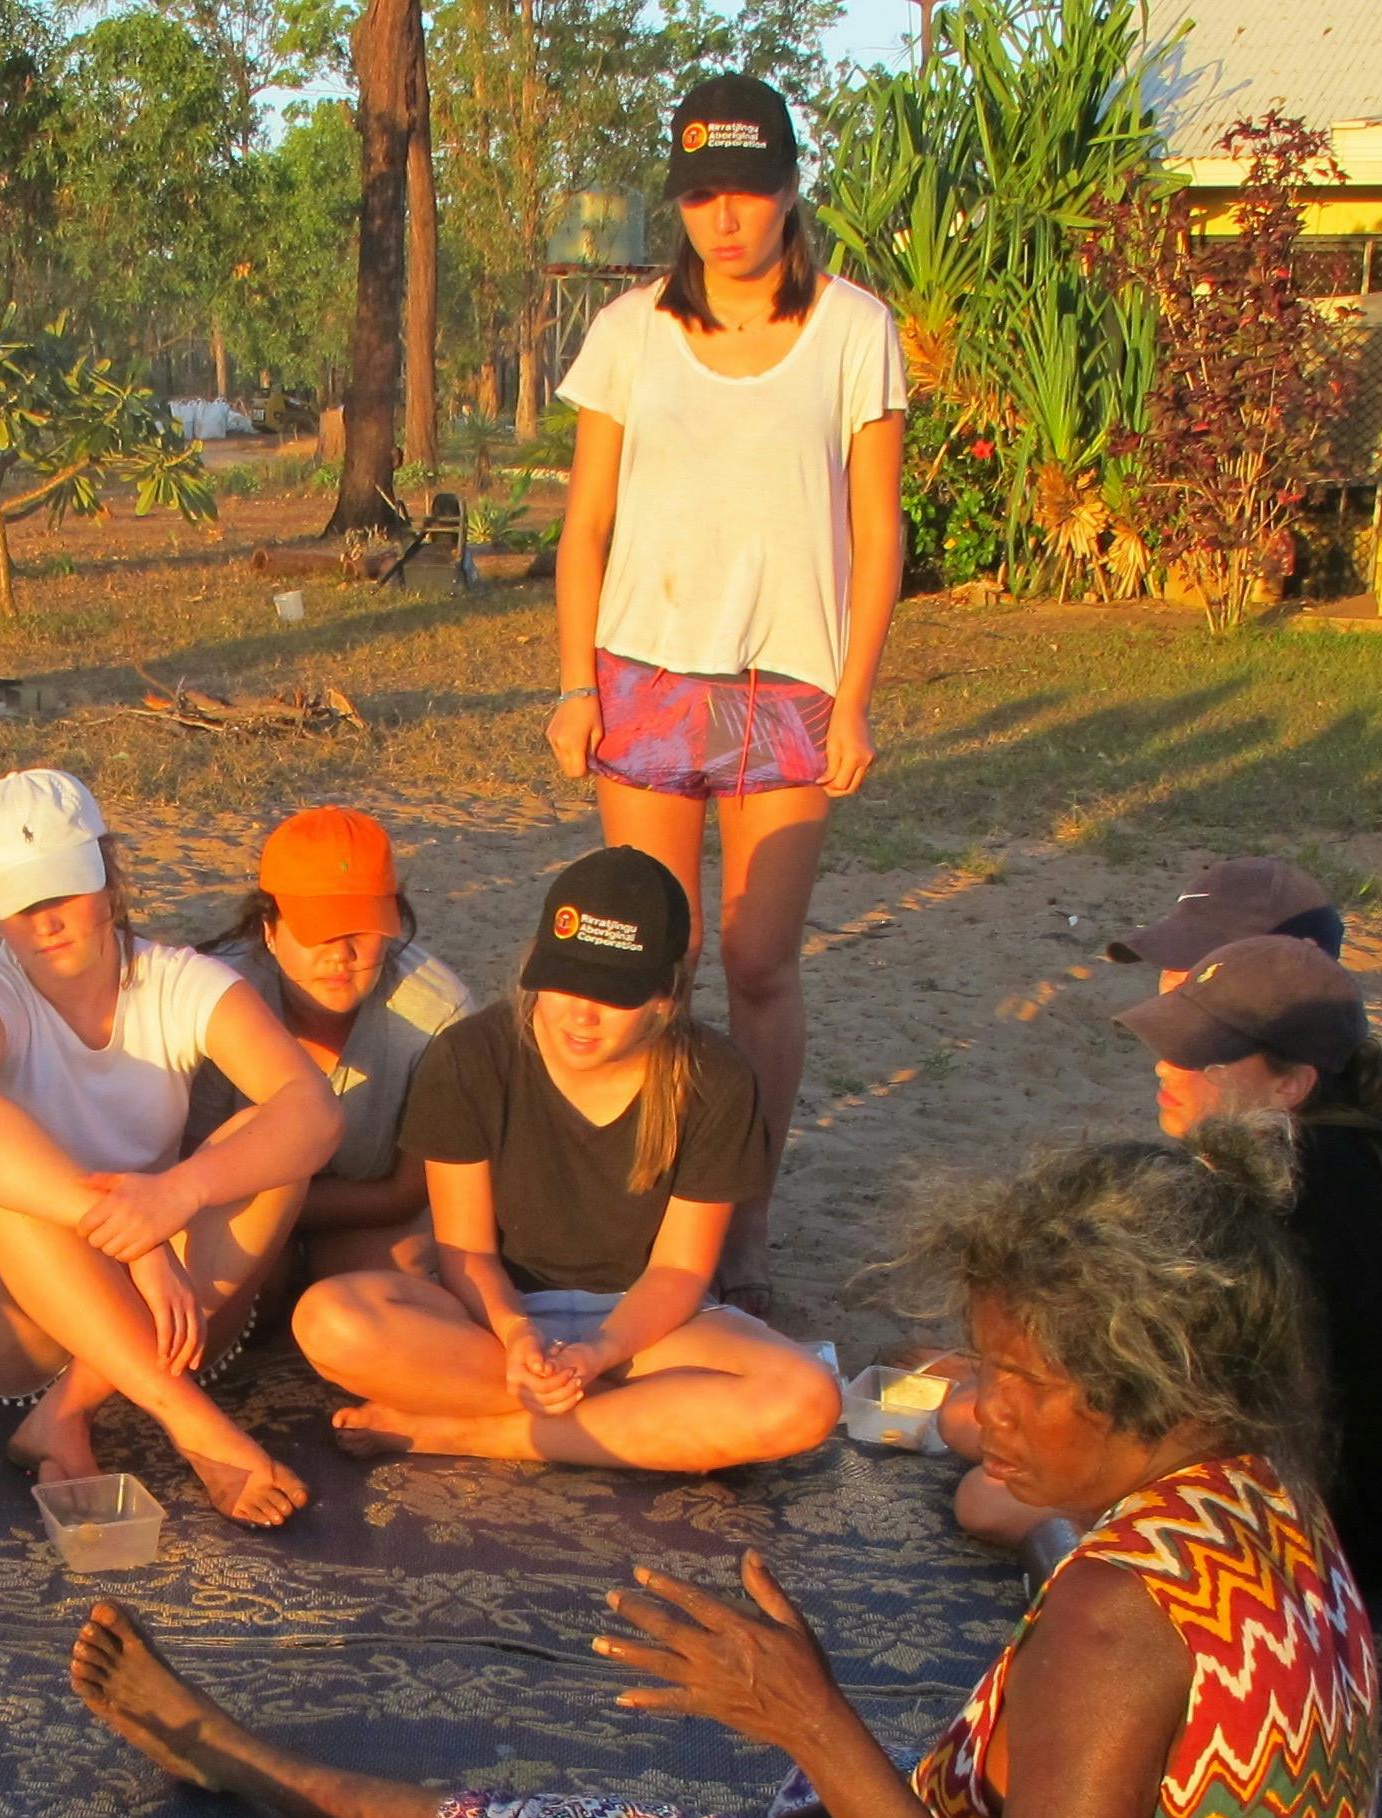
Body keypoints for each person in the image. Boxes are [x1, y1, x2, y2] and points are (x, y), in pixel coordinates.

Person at [73, 1125, 1376, 1818]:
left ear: (1142, 1378)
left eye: (1019, 1382)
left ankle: (252, 1765)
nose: (982, 1409)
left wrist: (809, 1719)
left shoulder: (1116, 1610)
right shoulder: (1268, 1499)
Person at [547, 71, 906, 1311]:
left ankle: (744, 1226)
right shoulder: (631, 332)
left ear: (790, 189)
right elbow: (585, 525)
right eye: (701, 196)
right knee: (656, 960)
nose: (725, 219)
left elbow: (878, 529)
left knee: (759, 961)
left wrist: (854, 698)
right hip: (644, 678)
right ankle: (653, 1214)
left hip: (787, 686)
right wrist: (574, 684)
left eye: (747, 191)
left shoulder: (855, 330)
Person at [955, 938, 1382, 1603]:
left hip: (1326, 1540)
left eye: (1204, 1058)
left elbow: (1164, 1390)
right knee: (984, 1416)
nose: (1166, 1068)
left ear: (1291, 1084)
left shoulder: (1267, 1203)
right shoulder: (1378, 1153)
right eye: (1172, 1046)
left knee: (980, 1478)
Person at [291, 848, 839, 1472]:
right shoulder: (471, 1055)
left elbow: (678, 1274)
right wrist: (515, 1332)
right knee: (330, 1320)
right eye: (565, 982)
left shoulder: (715, 1077)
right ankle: (650, 1423)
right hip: (495, 1324)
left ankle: (467, 1433)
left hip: (647, 1326)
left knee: (807, 1399)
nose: (582, 1015)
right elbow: (467, 1253)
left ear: (665, 998)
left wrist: (600, 1351)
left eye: (612, 995)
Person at [0, 769, 340, 1526]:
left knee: (272, 1145)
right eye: (21, 901)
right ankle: (195, 1426)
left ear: (110, 882)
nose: (45, 921)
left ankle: (68, 1410)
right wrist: (133, 1236)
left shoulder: (179, 981)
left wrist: (177, 1194)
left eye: (63, 891)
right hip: (7, 1331)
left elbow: (313, 1112)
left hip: (162, 1315)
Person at [1107, 856, 1382, 1479]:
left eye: (1204, 965)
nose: (1178, 987)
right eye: (1173, 963)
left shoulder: (1293, 1162)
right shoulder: (1368, 1096)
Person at [178, 806, 476, 1282]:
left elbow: (406, 1193)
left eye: (361, 930)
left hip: (372, 1222)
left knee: (386, 1270)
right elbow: (190, 1156)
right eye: (318, 930)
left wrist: (283, 1207)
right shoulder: (214, 993)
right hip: (235, 1209)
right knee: (240, 1273)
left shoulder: (438, 1013)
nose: (340, 954)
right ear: (269, 930)